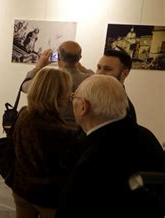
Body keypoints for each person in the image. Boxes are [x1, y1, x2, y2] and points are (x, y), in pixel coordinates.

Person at [57, 75, 165, 218]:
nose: (71, 102)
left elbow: (72, 208)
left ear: (83, 107)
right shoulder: (145, 134)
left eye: (73, 97)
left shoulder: (92, 158)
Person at [11, 68, 80, 218]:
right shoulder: (62, 132)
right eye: (68, 90)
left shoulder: (24, 114)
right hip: (48, 196)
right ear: (58, 93)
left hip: (22, 188)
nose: (70, 95)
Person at [21, 41, 93, 130]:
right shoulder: (90, 80)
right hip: (78, 133)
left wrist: (38, 67)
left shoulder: (49, 79)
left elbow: (24, 86)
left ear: (58, 56)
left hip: (49, 131)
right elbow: (97, 76)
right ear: (79, 58)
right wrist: (81, 67)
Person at [96, 49, 137, 123]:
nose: (100, 73)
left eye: (108, 69)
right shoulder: (92, 97)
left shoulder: (125, 109)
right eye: (99, 68)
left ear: (125, 73)